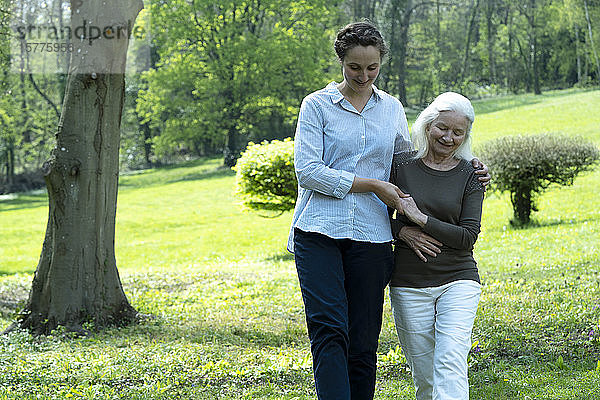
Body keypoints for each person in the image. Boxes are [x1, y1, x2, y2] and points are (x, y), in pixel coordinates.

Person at [287, 21, 489, 400]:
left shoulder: (392, 108)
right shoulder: (316, 106)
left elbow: (408, 164)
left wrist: (467, 162)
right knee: (329, 329)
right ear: (341, 62)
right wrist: (373, 185)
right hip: (318, 233)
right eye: (354, 67)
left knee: (363, 338)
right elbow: (309, 172)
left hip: (372, 235)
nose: (363, 76)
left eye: (371, 67)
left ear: (381, 63)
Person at [389, 92, 485, 400]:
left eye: (459, 132)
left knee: (450, 362)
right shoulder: (400, 166)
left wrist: (421, 219)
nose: (449, 137)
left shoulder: (471, 174)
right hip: (409, 282)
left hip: (458, 279)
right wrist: (404, 232)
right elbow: (373, 216)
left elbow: (468, 236)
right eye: (443, 128)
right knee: (425, 374)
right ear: (428, 124)